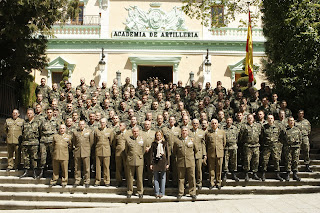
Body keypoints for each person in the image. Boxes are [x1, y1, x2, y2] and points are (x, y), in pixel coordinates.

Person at [173, 126, 198, 200]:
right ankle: (181, 192)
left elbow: (196, 150)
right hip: (181, 162)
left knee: (192, 177)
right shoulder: (177, 141)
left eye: (185, 130)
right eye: (183, 130)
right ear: (181, 132)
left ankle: (192, 193)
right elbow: (175, 152)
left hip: (190, 161)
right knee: (181, 178)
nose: (184, 132)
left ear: (188, 132)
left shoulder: (192, 140)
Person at [261, 115, 285, 181]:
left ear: (273, 119)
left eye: (271, 118)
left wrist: (279, 144)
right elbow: (262, 137)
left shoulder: (277, 127)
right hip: (266, 146)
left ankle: (277, 174)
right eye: (269, 118)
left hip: (275, 146)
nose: (270, 120)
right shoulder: (264, 127)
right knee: (264, 160)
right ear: (267, 119)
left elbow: (281, 135)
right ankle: (263, 174)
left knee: (276, 160)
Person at [125, 127, 146, 199]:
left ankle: (140, 191)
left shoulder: (142, 139)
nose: (135, 133)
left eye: (137, 131)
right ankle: (129, 191)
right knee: (130, 177)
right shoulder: (128, 139)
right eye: (134, 131)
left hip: (139, 160)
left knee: (140, 177)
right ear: (132, 132)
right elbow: (126, 150)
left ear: (139, 132)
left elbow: (143, 150)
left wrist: (140, 155)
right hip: (131, 160)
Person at [239, 114, 262, 182]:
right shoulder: (244, 126)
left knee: (256, 161)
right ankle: (246, 174)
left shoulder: (257, 126)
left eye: (251, 118)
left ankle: (255, 173)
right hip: (247, 146)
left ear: (253, 118)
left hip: (256, 146)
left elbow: (261, 135)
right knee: (247, 160)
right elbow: (241, 137)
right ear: (247, 119)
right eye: (248, 118)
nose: (250, 119)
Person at [205, 119, 226, 190]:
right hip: (211, 153)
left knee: (219, 169)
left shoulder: (222, 132)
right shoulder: (208, 133)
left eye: (215, 123)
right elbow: (206, 143)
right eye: (213, 123)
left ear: (218, 124)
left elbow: (224, 143)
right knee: (211, 169)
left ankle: (218, 182)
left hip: (219, 153)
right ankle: (211, 183)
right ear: (211, 124)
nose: (214, 124)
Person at [72, 120, 94, 188]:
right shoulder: (75, 132)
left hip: (86, 151)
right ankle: (77, 180)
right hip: (78, 151)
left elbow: (91, 142)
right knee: (77, 167)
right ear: (78, 125)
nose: (81, 125)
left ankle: (87, 181)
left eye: (82, 124)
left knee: (86, 168)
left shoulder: (89, 132)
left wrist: (87, 148)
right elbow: (74, 142)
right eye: (80, 124)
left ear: (85, 125)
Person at [93, 118, 114, 187]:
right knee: (98, 167)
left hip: (106, 151)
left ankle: (107, 181)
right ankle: (97, 181)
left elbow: (111, 141)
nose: (102, 124)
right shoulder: (96, 131)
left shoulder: (110, 131)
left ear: (106, 123)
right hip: (98, 150)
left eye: (104, 122)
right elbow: (95, 141)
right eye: (101, 122)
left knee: (106, 167)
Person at [20, 108, 40, 179]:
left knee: (34, 158)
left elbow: (40, 132)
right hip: (26, 143)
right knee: (25, 158)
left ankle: (34, 172)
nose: (29, 114)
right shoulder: (24, 122)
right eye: (28, 113)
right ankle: (26, 171)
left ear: (33, 114)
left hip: (34, 143)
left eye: (30, 113)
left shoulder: (37, 122)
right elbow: (22, 132)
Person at [150, 131, 169, 198]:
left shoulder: (165, 143)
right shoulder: (153, 144)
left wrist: (167, 163)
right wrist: (151, 163)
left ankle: (162, 192)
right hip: (155, 162)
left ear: (162, 136)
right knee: (156, 178)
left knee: (163, 177)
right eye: (157, 135)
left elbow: (167, 154)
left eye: (160, 135)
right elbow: (151, 154)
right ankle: (156, 192)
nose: (158, 136)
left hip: (163, 161)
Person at [284, 117, 302, 181]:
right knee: (288, 160)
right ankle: (288, 174)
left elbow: (300, 139)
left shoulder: (297, 130)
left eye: (292, 120)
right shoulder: (285, 130)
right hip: (288, 147)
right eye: (290, 121)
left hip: (296, 147)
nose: (291, 122)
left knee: (295, 160)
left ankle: (295, 174)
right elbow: (282, 139)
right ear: (288, 122)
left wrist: (298, 146)